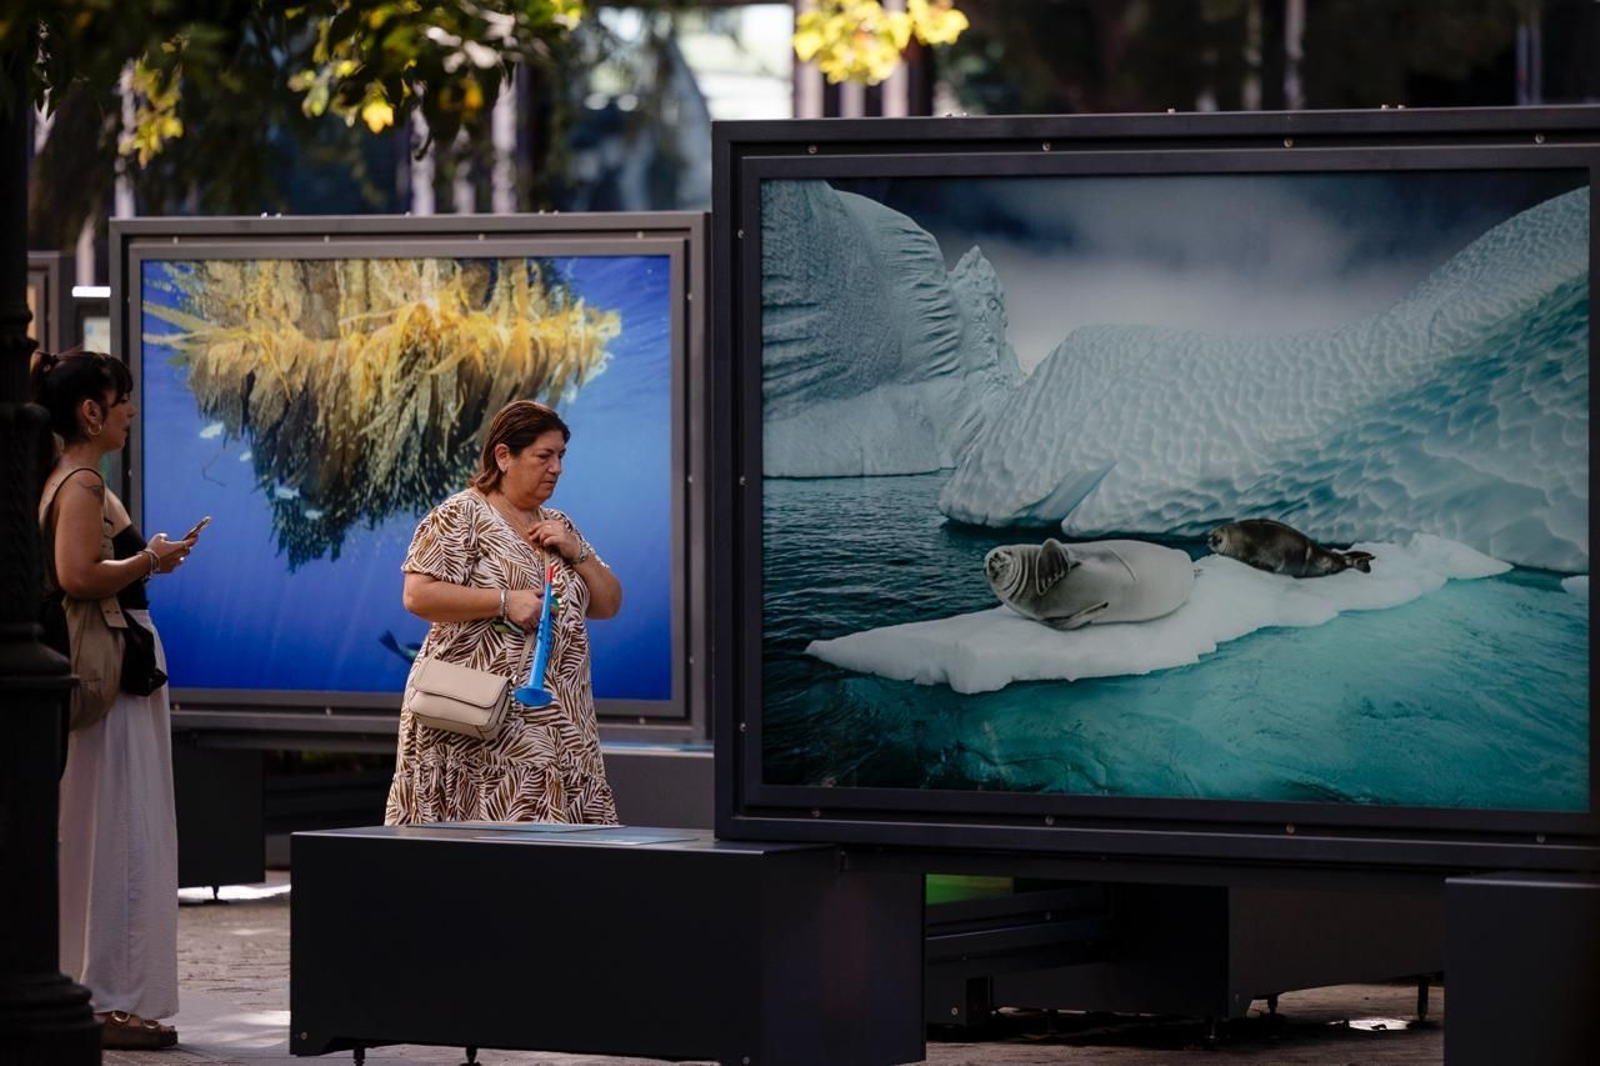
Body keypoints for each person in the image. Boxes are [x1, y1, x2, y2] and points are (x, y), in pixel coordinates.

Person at [32, 349, 197, 1050]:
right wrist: (148, 561)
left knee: (110, 831)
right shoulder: (81, 485)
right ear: (90, 411)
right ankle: (113, 999)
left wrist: (139, 555)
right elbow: (78, 573)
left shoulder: (76, 480)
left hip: (115, 681)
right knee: (122, 833)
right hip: (112, 683)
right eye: (120, 398)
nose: (130, 410)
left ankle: (105, 990)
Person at [387, 399, 623, 825]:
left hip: (561, 725)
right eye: (543, 456)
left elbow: (608, 604)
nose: (557, 468)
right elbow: (417, 596)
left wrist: (578, 551)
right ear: (504, 456)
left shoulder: (558, 524)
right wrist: (503, 600)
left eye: (561, 457)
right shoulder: (463, 515)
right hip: (477, 726)